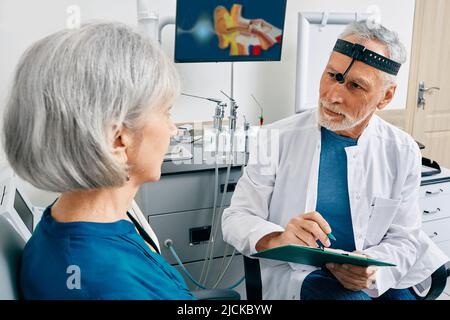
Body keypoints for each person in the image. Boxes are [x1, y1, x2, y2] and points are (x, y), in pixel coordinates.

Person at [222, 20, 449, 300]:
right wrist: (279, 238)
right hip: (301, 273)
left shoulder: (402, 150)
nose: (333, 96)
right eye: (332, 75)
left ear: (386, 96)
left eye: (355, 86)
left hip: (375, 269)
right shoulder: (275, 138)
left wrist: (369, 271)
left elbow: (405, 237)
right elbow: (236, 218)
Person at [2, 22, 195, 300]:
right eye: (166, 113)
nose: (173, 129)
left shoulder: (68, 221)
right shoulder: (107, 284)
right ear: (118, 140)